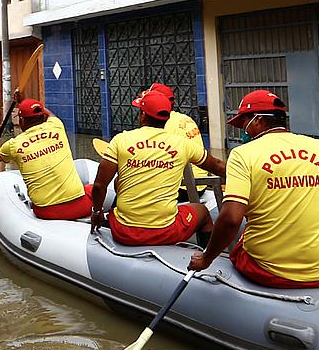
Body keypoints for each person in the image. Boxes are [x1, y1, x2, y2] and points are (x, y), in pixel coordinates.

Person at [188, 91, 319, 288]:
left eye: (244, 124)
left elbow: (231, 219)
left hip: (265, 270)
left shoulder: (243, 155)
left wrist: (206, 258)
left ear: (258, 120)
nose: (244, 131)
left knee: (242, 241)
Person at [90, 90, 227, 246]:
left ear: (142, 115)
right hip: (166, 231)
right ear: (167, 118)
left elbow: (99, 186)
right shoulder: (182, 144)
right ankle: (206, 260)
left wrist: (96, 211)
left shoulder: (120, 140)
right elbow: (217, 166)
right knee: (202, 212)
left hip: (124, 231)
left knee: (118, 185)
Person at [0, 99, 92, 221]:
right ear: (43, 117)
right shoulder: (56, 126)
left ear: (21, 121)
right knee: (93, 188)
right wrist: (29, 104)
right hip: (80, 208)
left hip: (46, 212)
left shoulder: (13, 145)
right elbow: (50, 114)